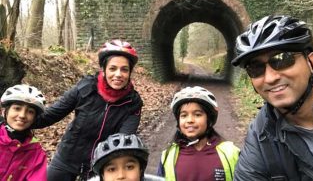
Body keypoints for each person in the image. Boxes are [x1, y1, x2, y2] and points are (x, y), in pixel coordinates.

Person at [231, 15, 313, 180]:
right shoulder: (261, 140)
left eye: (283, 59)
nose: (270, 78)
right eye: (256, 68)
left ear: (311, 61)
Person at [33, 39, 144, 181]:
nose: (118, 74)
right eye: (112, 68)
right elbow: (50, 115)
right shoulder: (86, 88)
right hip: (66, 160)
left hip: (101, 166)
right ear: (103, 70)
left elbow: (121, 143)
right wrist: (15, 121)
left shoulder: (133, 103)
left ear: (129, 73)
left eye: (124, 69)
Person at [157, 86, 240, 181]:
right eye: (184, 115)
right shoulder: (168, 156)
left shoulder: (231, 153)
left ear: (209, 119)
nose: (190, 120)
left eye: (197, 114)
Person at [0, 84, 47, 180]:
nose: (22, 115)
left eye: (30, 112)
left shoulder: (36, 152)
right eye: (17, 108)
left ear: (34, 118)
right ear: (4, 111)